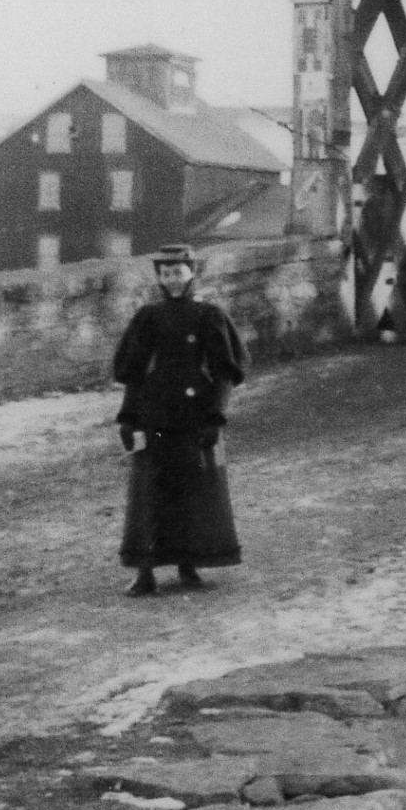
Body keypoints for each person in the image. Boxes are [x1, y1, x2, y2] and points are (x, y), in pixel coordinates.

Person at [110, 244, 247, 595]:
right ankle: (145, 572)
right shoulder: (148, 317)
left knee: (193, 486)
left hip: (193, 413)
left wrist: (215, 417)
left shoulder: (208, 316)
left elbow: (223, 371)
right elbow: (135, 372)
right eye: (166, 273)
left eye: (178, 272)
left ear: (191, 273)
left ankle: (189, 563)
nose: (173, 279)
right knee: (150, 490)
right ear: (159, 277)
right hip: (155, 413)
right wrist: (128, 417)